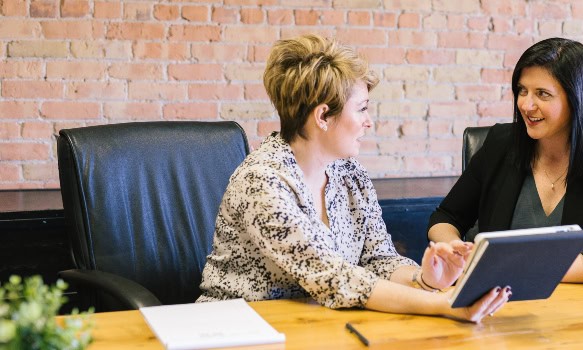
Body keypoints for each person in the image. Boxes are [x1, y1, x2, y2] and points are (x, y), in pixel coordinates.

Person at [197, 34, 509, 322]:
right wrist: (444, 304)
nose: (368, 122)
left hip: (318, 323)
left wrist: (425, 279)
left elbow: (379, 259)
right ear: (322, 116)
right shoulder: (262, 182)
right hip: (237, 328)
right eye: (361, 109)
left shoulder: (349, 174)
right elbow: (333, 277)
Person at [427, 38, 583, 286]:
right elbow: (445, 217)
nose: (526, 104)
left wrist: (520, 267)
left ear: (576, 98)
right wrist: (455, 250)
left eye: (542, 94)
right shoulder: (501, 144)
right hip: (498, 303)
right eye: (522, 91)